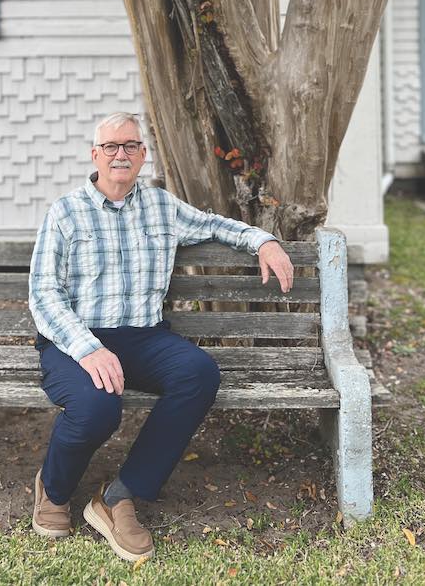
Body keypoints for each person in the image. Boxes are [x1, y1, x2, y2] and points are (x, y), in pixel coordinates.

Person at [28, 111, 294, 562]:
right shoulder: (66, 212)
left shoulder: (161, 206)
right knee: (98, 407)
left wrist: (262, 241)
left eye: (130, 145)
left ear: (143, 155)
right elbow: (43, 294)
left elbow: (213, 224)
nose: (120, 154)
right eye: (111, 147)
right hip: (76, 340)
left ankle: (119, 496)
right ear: (95, 155)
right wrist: (89, 349)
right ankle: (53, 489)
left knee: (198, 373)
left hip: (143, 337)